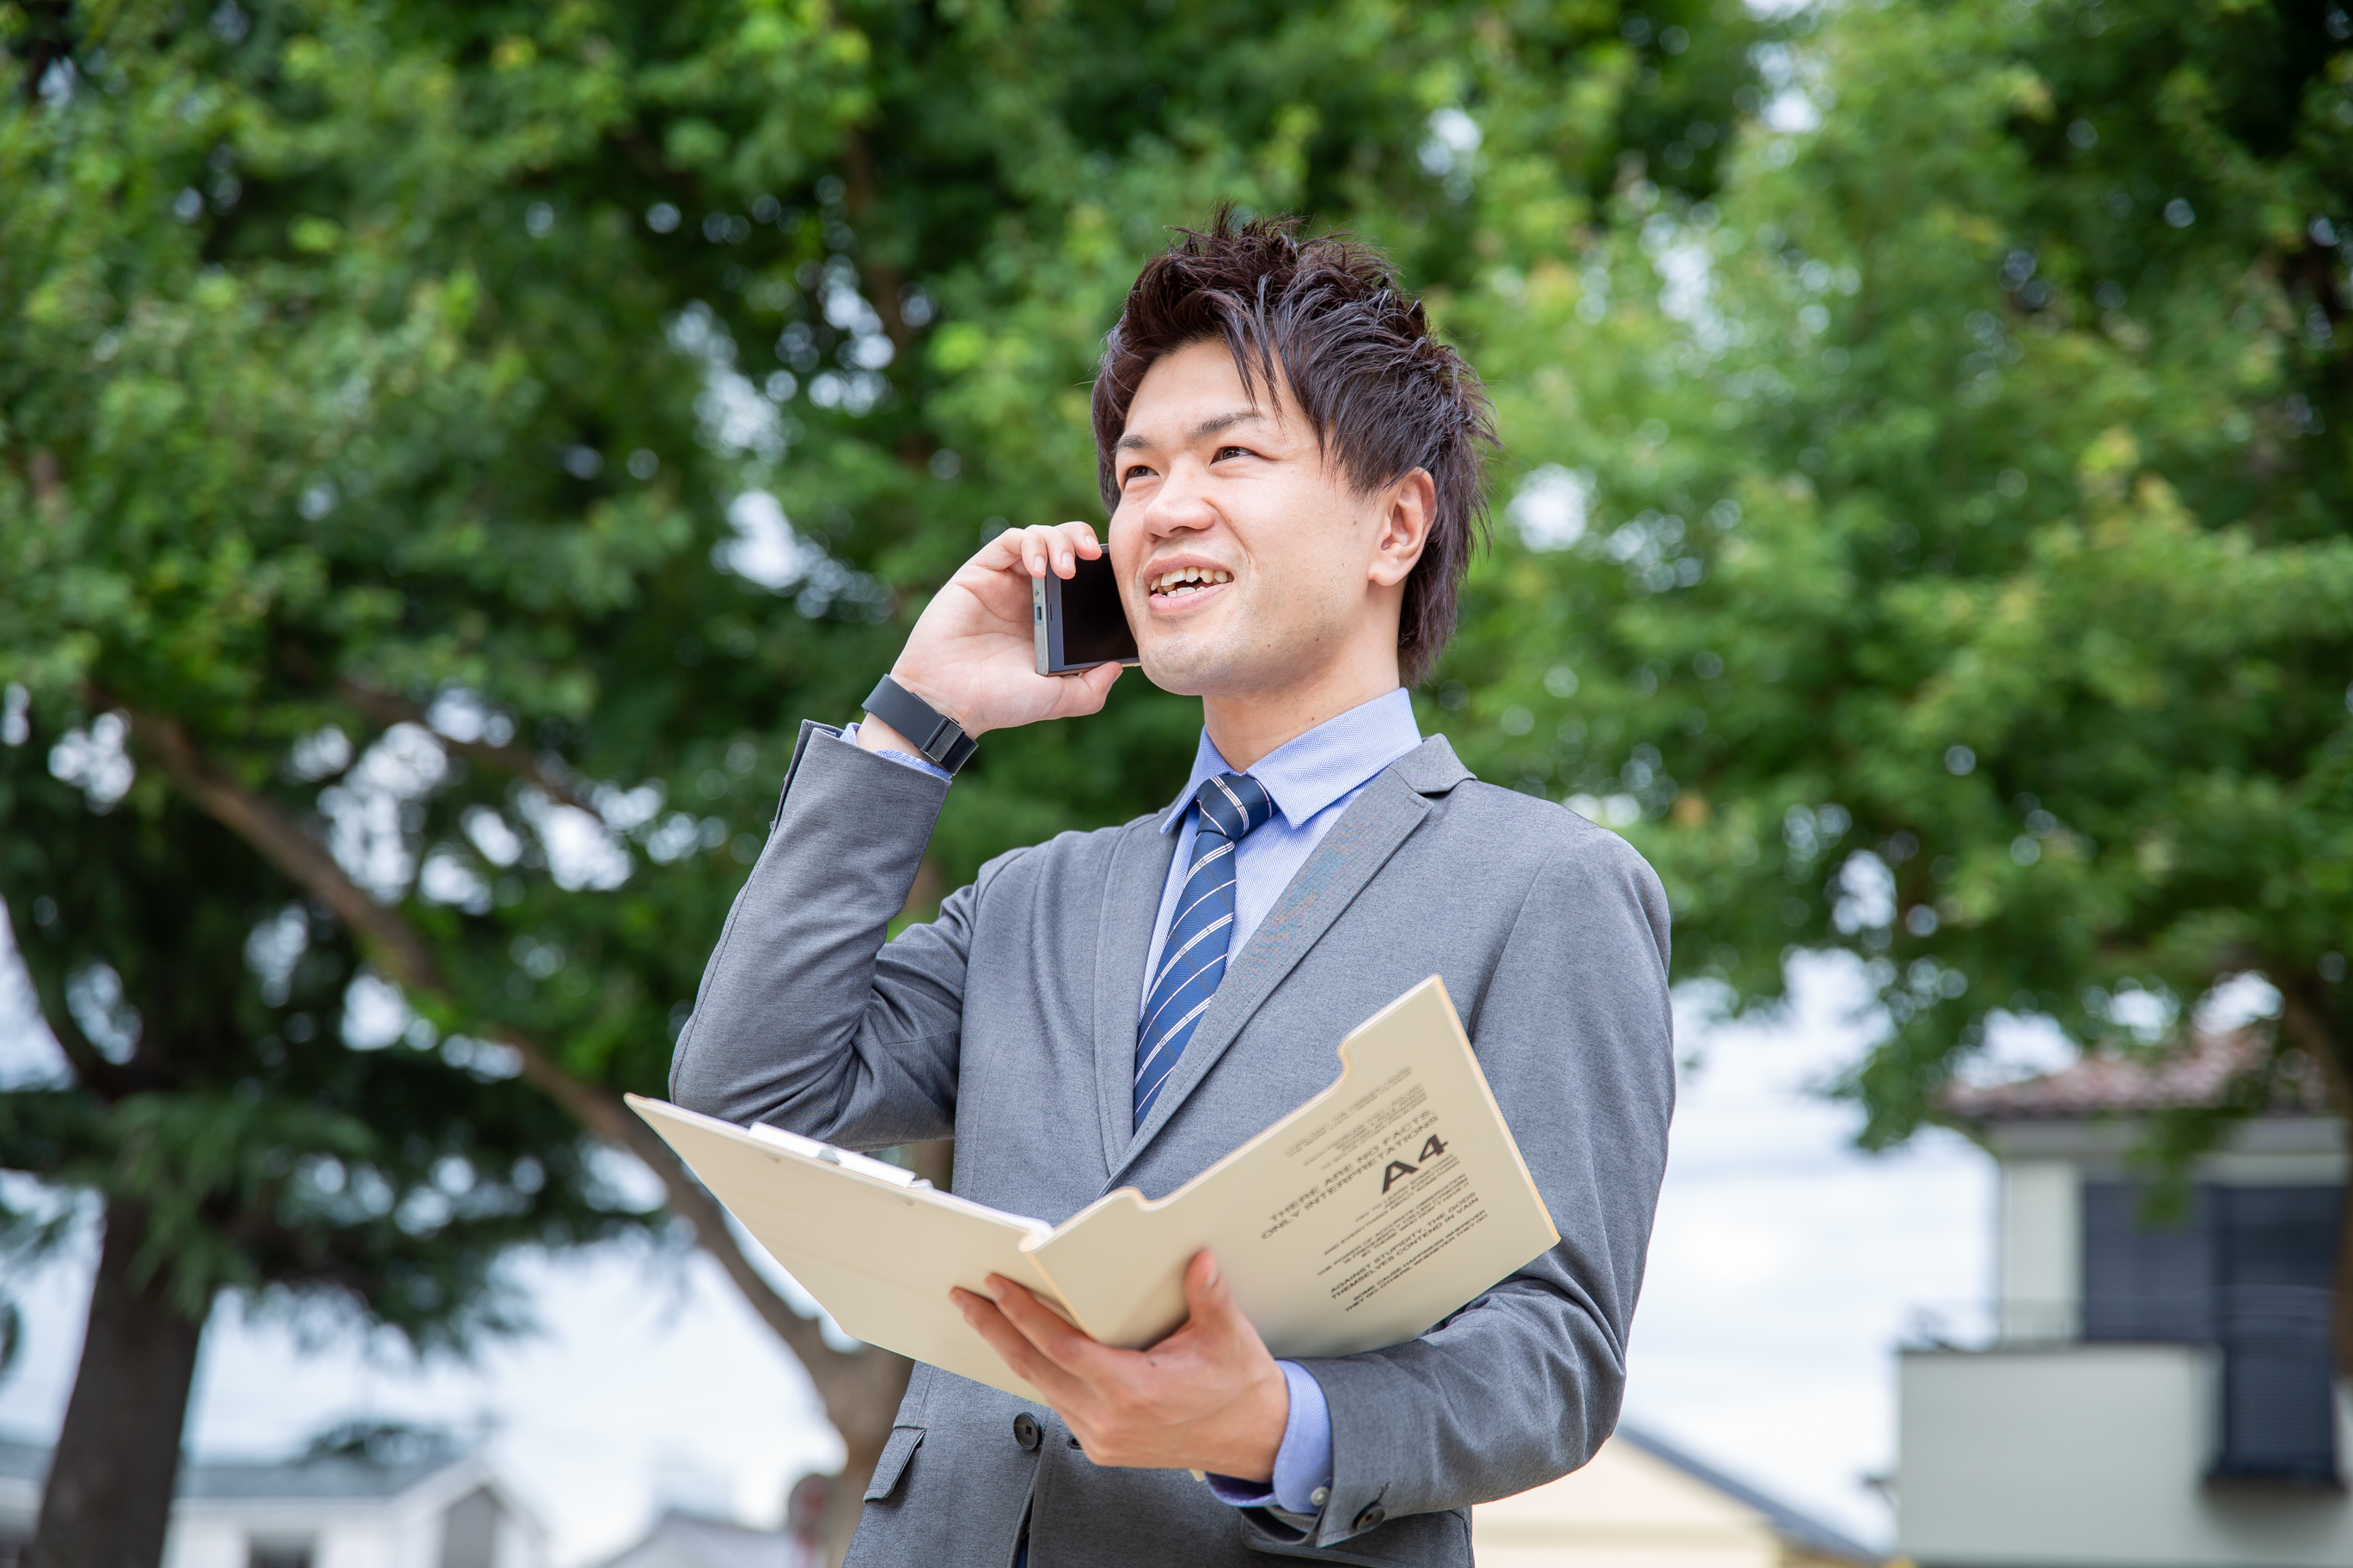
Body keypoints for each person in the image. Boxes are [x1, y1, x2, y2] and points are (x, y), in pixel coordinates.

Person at [670, 212, 1674, 1567]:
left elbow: (1553, 1354)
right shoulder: (1032, 899)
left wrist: (1273, 1422)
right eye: (1136, 471)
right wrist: (912, 723)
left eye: (1230, 455)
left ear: (1395, 523)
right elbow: (747, 1094)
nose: (1163, 506)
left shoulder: (1546, 886)